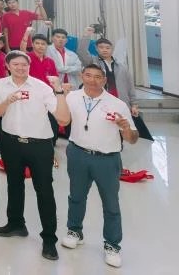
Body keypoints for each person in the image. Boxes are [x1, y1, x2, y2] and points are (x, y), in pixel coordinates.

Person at [0, 50, 70, 261]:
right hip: (10, 142)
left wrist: (59, 92)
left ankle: (49, 239)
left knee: (44, 190)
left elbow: (63, 119)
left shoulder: (41, 87)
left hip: (39, 145)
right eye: (15, 64)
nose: (20, 68)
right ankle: (16, 223)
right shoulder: (1, 85)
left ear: (29, 66)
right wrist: (7, 101)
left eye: (24, 64)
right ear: (8, 66)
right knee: (14, 185)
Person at [59, 63, 139, 268]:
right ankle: (74, 231)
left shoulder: (117, 104)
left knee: (110, 203)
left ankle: (112, 245)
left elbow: (133, 138)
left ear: (104, 80)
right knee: (76, 196)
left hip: (107, 159)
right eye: (88, 75)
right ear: (81, 76)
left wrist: (125, 129)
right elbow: (62, 119)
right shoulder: (72, 97)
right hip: (78, 153)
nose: (92, 80)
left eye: (97, 77)